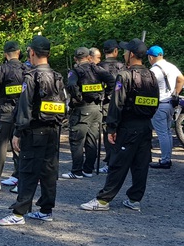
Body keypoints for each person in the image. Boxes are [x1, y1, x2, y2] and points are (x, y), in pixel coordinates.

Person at [81, 38, 159, 212]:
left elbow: (117, 104)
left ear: (131, 55)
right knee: (141, 164)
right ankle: (134, 199)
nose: (123, 53)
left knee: (118, 163)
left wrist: (111, 128)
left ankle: (103, 200)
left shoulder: (125, 76)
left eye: (125, 51)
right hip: (146, 126)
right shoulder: (151, 75)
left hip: (128, 126)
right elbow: (155, 102)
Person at [0, 36, 67, 226]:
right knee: (49, 171)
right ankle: (46, 210)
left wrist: (18, 133)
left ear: (32, 52)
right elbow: (64, 106)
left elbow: (25, 106)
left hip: (34, 131)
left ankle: (19, 213)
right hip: (53, 131)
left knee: (27, 171)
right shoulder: (58, 76)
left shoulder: (31, 76)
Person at [61, 47, 115, 179]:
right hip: (97, 108)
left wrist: (78, 97)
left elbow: (72, 85)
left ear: (75, 59)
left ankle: (76, 171)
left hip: (82, 109)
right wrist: (107, 95)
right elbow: (112, 80)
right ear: (89, 57)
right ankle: (88, 169)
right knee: (92, 140)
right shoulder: (97, 69)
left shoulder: (75, 71)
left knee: (77, 140)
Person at [0, 41, 27, 191]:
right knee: (19, 145)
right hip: (22, 112)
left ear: (5, 54)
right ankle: (20, 179)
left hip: (6, 112)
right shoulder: (27, 69)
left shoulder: (2, 69)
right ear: (19, 52)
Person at [147, 46, 184, 169]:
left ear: (151, 57)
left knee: (162, 133)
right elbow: (181, 78)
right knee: (167, 132)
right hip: (170, 104)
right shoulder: (171, 66)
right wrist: (175, 93)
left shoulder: (154, 70)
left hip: (159, 104)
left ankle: (165, 160)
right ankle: (167, 158)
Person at [97, 39, 126, 173]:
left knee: (108, 132)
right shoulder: (122, 66)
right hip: (121, 103)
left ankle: (110, 162)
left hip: (105, 104)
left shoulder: (99, 66)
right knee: (120, 131)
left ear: (104, 52)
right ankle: (120, 160)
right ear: (116, 51)